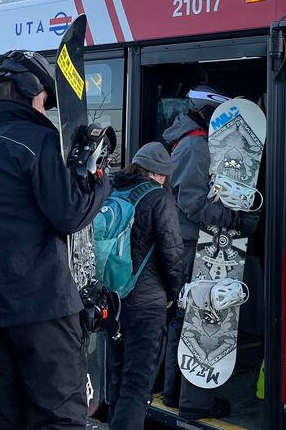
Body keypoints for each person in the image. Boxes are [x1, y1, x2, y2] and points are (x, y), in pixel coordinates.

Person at [0, 49, 109, 429]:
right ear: (29, 90)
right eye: (44, 101)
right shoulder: (38, 141)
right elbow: (70, 213)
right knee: (58, 417)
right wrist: (100, 179)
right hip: (43, 310)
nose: (45, 109)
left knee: (1, 417)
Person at [161, 85, 255, 420]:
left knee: (185, 318)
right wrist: (238, 218)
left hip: (191, 241)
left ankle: (174, 393)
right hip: (192, 243)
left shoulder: (192, 141)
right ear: (207, 113)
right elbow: (193, 202)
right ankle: (192, 402)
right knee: (200, 319)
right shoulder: (195, 146)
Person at [105, 142, 185, 430]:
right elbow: (173, 253)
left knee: (118, 375)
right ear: (159, 173)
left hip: (113, 300)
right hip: (146, 303)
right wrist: (174, 295)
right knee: (137, 385)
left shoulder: (113, 190)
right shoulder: (159, 198)